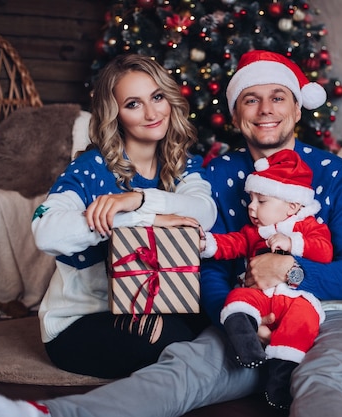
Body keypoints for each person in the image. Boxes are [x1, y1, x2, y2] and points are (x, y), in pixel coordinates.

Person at [0, 50, 342, 417]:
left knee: (323, 380)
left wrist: (291, 271)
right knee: (181, 370)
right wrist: (236, 320)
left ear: (296, 109)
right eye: (251, 99)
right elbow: (211, 269)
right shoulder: (218, 174)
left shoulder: (336, 174)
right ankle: (47, 414)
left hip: (331, 313)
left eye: (278, 97)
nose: (265, 110)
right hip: (246, 314)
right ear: (236, 114)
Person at [30, 53, 217, 379]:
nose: (151, 112)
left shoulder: (180, 164)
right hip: (84, 320)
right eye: (133, 104)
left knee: (222, 320)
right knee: (175, 343)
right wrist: (139, 219)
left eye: (157, 97)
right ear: (114, 114)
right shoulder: (90, 169)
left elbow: (205, 212)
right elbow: (45, 232)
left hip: (160, 302)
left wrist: (138, 200)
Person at [200, 148, 332, 409]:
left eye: (261, 201)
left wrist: (292, 242)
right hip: (259, 295)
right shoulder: (254, 232)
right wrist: (207, 243)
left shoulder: (308, 226)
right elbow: (234, 243)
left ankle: (281, 376)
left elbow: (325, 251)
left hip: (295, 298)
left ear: (292, 206)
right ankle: (245, 343)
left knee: (303, 320)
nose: (251, 207)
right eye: (251, 200)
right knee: (237, 297)